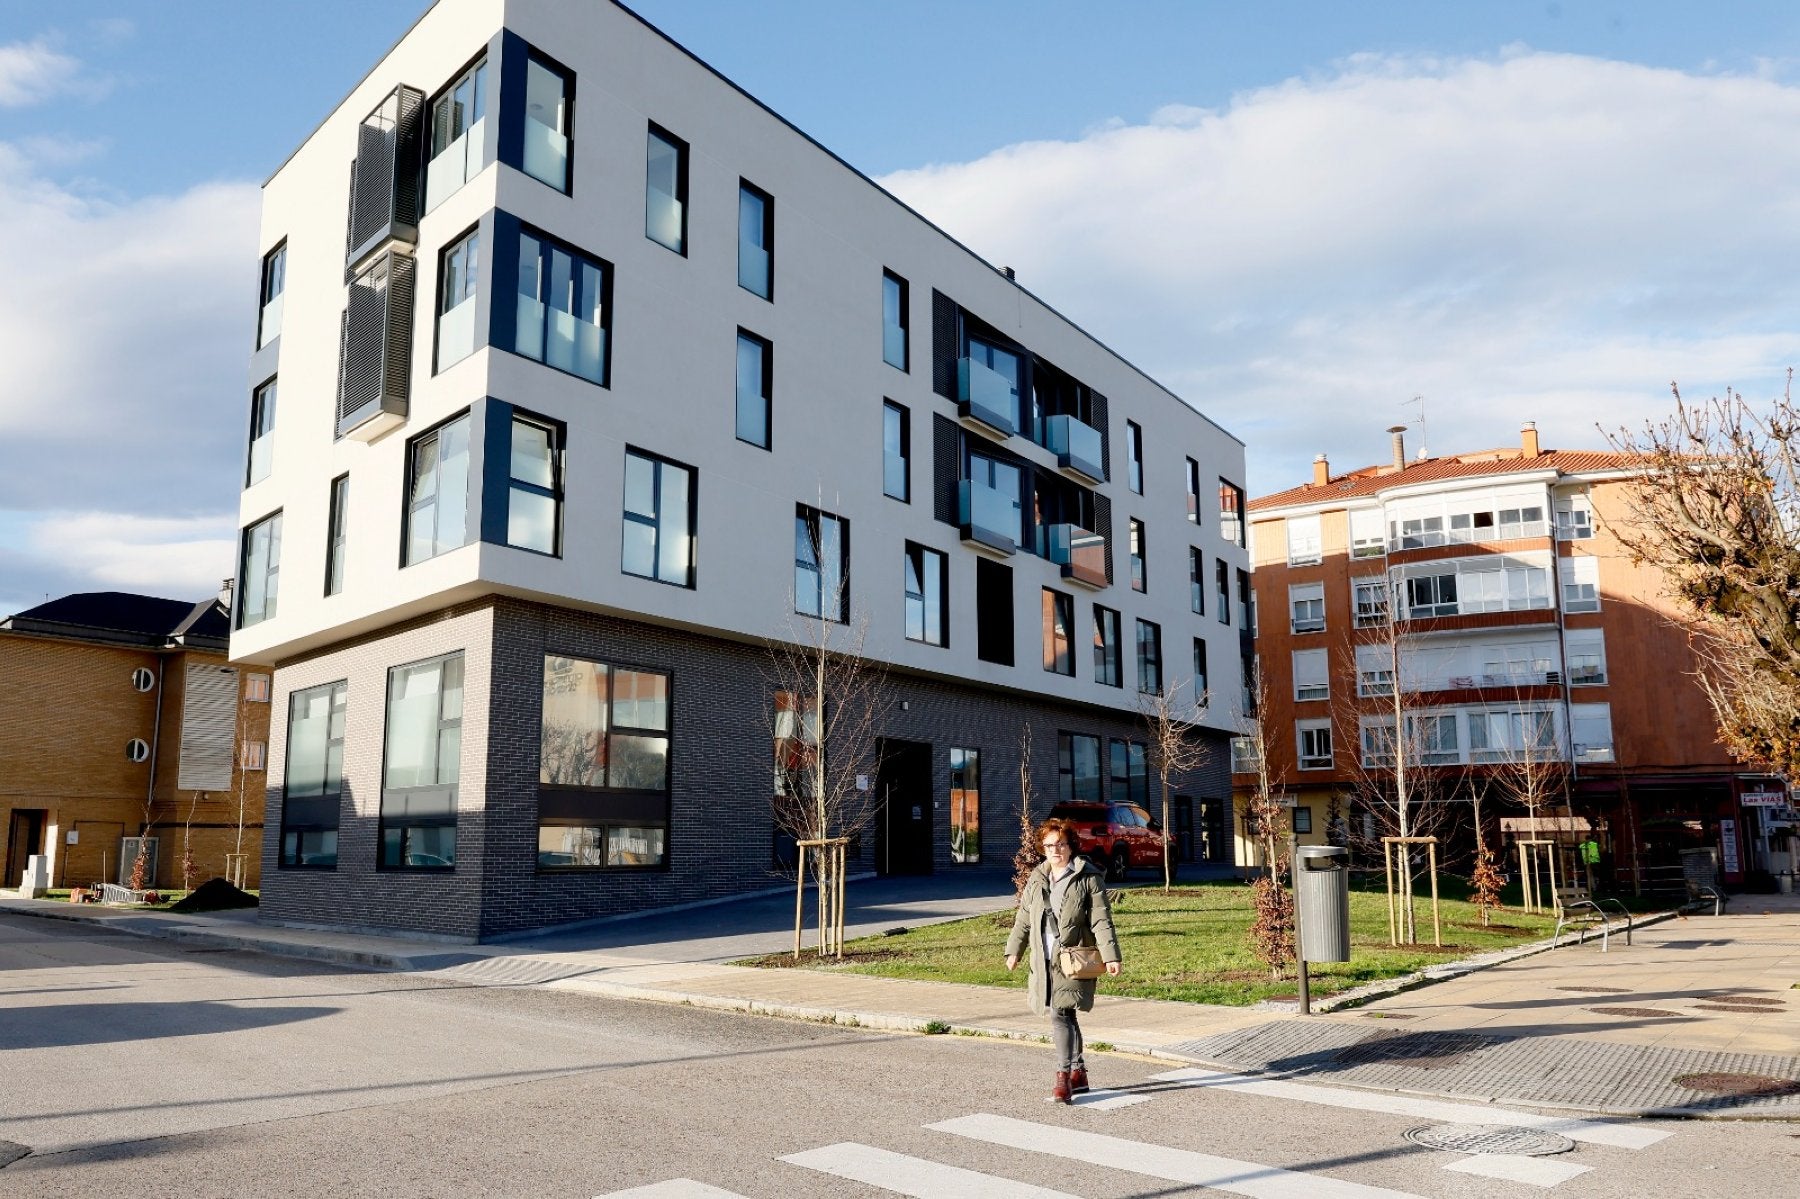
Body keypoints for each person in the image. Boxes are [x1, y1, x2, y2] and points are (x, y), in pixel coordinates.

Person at [1005, 817, 1122, 1103]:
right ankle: (1079, 1073)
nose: (1055, 850)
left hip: (1072, 957)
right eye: (1049, 845)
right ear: (1042, 848)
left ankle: (1063, 1077)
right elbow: (1024, 918)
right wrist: (1014, 950)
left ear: (1071, 846)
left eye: (1060, 844)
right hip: (1042, 957)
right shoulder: (1037, 878)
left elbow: (1101, 920)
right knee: (1067, 1014)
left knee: (1059, 1013)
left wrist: (1110, 956)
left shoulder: (1088, 878)